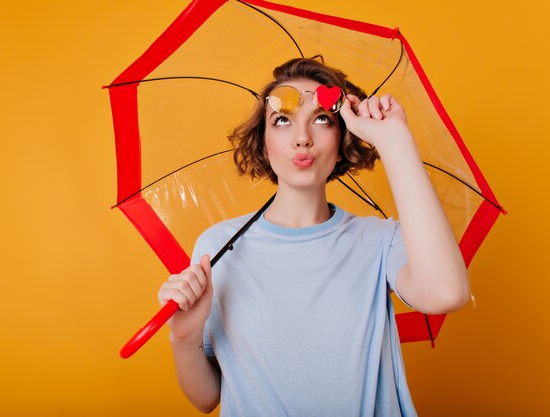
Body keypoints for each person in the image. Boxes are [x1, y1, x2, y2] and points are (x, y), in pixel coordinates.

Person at [157, 56, 469, 416]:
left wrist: (395, 141)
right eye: (282, 120)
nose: (302, 138)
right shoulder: (218, 248)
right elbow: (206, 397)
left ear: (342, 139)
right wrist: (184, 337)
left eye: (321, 119)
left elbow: (447, 292)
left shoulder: (381, 240)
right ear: (263, 143)